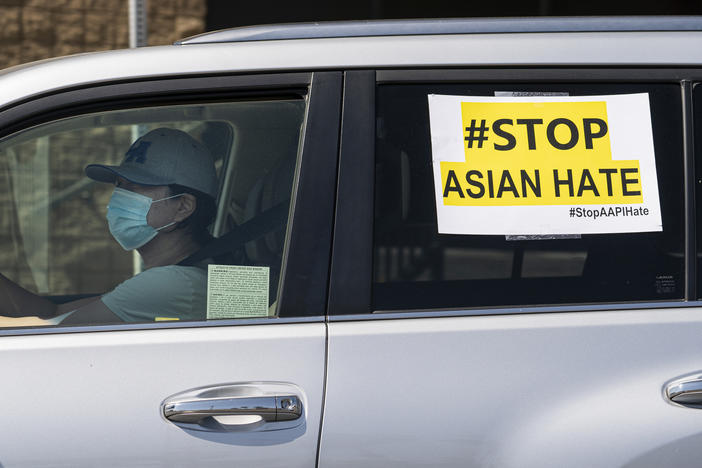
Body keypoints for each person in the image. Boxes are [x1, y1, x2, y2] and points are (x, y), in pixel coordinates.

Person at [0, 127, 219, 327]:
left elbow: (45, 332)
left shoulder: (172, 284)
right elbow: (53, 312)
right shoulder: (176, 277)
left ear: (183, 207)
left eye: (137, 186)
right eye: (120, 185)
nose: (119, 197)